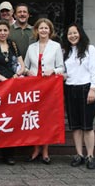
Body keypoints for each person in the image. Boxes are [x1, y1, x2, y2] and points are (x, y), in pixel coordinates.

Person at [0, 20, 25, 166]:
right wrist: (4, 80)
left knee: (11, 120)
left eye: (5, 30)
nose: (2, 33)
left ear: (8, 31)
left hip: (13, 87)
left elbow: (22, 65)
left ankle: (9, 154)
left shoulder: (13, 45)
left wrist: (16, 75)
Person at [24, 18, 64, 165]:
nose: (43, 31)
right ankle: (35, 149)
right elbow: (24, 66)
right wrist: (27, 72)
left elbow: (61, 67)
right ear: (36, 30)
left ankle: (45, 151)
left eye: (46, 28)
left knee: (46, 119)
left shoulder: (56, 46)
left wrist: (53, 70)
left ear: (50, 30)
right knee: (34, 118)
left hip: (49, 88)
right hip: (34, 88)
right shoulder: (31, 47)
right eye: (41, 28)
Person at [62, 23, 95, 170]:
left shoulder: (90, 49)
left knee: (87, 126)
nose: (72, 36)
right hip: (70, 89)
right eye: (69, 34)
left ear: (80, 33)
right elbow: (65, 72)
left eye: (75, 33)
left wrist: (92, 89)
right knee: (76, 126)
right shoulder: (65, 51)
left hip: (87, 89)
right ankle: (79, 154)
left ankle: (90, 155)